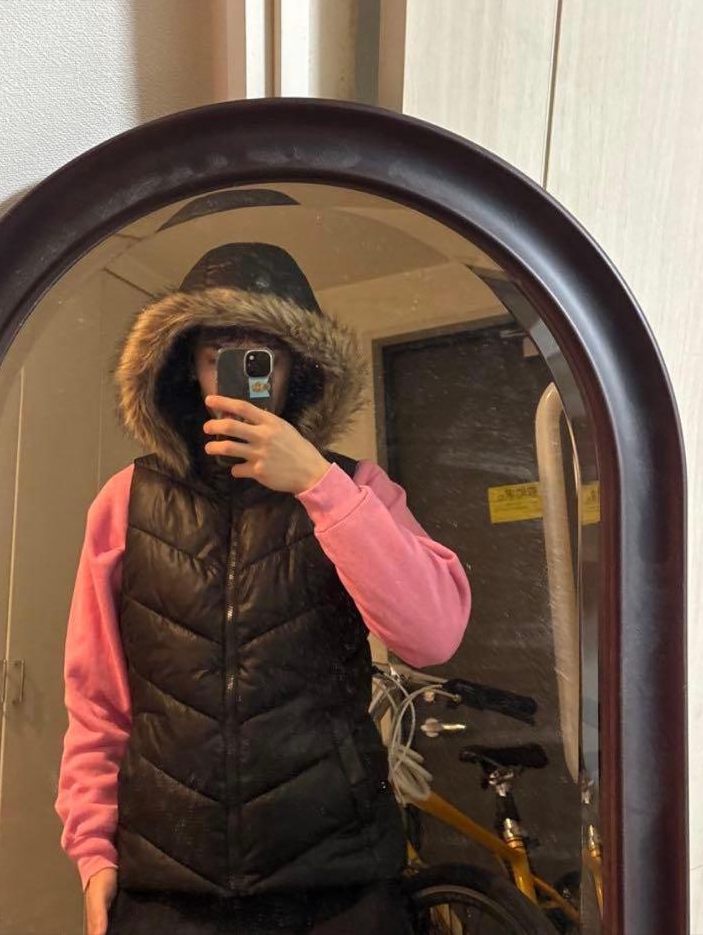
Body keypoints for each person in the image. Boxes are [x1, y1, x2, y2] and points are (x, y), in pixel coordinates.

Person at [55, 242, 472, 934]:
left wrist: (317, 483)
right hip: (169, 888)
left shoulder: (354, 490)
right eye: (218, 350)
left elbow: (433, 635)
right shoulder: (126, 500)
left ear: (296, 367)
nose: (240, 370)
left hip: (336, 883)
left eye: (262, 353)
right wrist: (94, 851)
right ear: (187, 366)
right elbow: (97, 701)